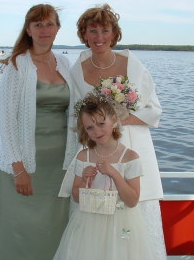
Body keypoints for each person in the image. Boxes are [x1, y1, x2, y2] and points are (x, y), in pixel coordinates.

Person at [60, 4, 166, 259]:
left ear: (114, 33)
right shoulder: (77, 70)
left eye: (104, 30)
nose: (99, 37)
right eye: (92, 31)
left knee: (133, 211)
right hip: (96, 150)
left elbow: (154, 109)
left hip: (131, 144)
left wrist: (124, 119)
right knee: (93, 207)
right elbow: (74, 115)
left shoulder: (132, 64)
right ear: (84, 35)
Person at [0, 4, 73, 260]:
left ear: (58, 28)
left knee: (53, 231)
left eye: (49, 24)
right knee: (18, 231)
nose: (44, 30)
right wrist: (19, 168)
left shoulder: (66, 63)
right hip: (25, 164)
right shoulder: (17, 65)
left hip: (59, 164)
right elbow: (6, 121)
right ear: (28, 29)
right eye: (38, 24)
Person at [53, 94, 156, 260]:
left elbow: (132, 200)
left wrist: (114, 174)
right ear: (83, 130)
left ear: (114, 120)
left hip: (121, 224)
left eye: (102, 124)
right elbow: (76, 197)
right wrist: (86, 180)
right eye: (89, 128)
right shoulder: (83, 156)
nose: (97, 131)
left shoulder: (129, 157)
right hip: (89, 223)